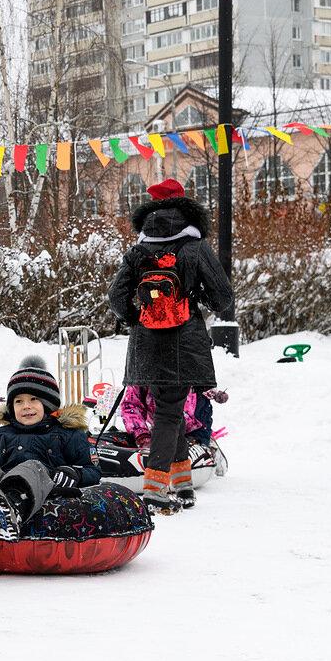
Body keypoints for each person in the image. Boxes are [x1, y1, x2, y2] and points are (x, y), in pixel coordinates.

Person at [108, 178, 233, 515]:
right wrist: (198, 299)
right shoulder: (196, 248)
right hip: (185, 341)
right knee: (169, 410)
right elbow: (223, 299)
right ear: (186, 209)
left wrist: (138, 318)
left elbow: (116, 298)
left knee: (170, 406)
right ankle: (155, 489)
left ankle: (182, 484)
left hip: (146, 343)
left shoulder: (138, 251)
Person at [0, 356, 97, 541]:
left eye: (34, 399)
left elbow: (93, 471)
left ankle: (11, 510)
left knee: (32, 466)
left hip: (42, 491)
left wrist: (75, 474)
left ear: (48, 404)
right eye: (18, 401)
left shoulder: (69, 434)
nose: (26, 406)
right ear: (11, 406)